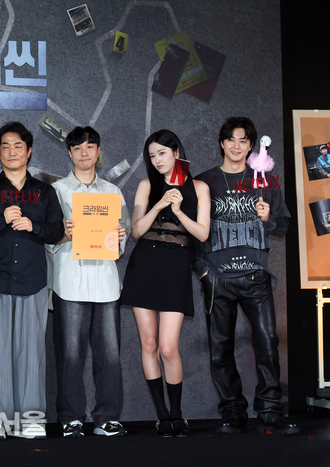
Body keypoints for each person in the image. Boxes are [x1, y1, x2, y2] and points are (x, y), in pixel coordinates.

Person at [194, 117, 298, 435]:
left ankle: (269, 411)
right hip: (218, 277)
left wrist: (268, 219)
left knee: (267, 341)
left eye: (243, 140)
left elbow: (283, 225)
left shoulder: (265, 180)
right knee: (220, 348)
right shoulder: (204, 182)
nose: (236, 146)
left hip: (256, 276)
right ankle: (232, 412)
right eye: (231, 139)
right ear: (222, 143)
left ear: (252, 145)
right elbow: (192, 231)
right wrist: (203, 271)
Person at [0, 122, 64, 440]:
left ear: (29, 150)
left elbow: (57, 231)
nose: (12, 151)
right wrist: (0, 219)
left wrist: (33, 226)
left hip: (33, 282)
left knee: (31, 354)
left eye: (18, 145)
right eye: (5, 146)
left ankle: (31, 420)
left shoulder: (45, 192)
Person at [120, 129, 210, 437]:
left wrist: (177, 211)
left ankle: (177, 414)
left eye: (162, 153)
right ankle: (163, 417)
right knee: (149, 344)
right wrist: (158, 205)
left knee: (169, 348)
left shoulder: (199, 187)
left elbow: (202, 233)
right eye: (152, 155)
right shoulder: (147, 185)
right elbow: (136, 231)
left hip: (176, 266)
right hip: (145, 266)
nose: (157, 160)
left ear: (176, 152)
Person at [45, 126, 131, 438]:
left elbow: (123, 233)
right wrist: (62, 235)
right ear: (69, 153)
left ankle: (107, 417)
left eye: (90, 147)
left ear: (98, 151)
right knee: (70, 354)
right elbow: (46, 237)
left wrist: (120, 236)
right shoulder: (56, 192)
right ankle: (71, 417)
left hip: (105, 283)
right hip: (70, 280)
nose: (84, 153)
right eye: (78, 148)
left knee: (110, 354)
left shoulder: (113, 192)